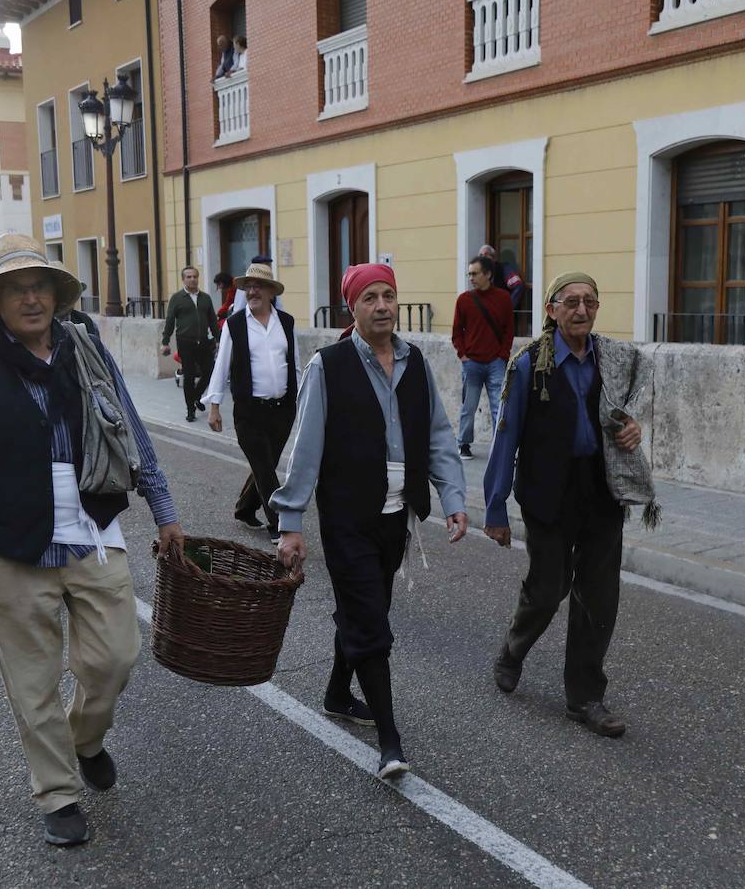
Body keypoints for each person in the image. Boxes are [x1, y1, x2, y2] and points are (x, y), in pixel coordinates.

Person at [0, 233, 184, 847]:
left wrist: (164, 505)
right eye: (16, 289)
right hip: (15, 548)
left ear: (55, 293)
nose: (31, 297)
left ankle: (85, 738)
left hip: (94, 532)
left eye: (38, 284)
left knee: (115, 658)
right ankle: (58, 792)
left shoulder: (85, 347)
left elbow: (126, 424)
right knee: (32, 681)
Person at [272, 263, 468, 780]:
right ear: (351, 308)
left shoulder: (415, 362)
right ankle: (390, 739)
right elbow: (303, 448)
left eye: (389, 296)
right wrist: (290, 521)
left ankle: (339, 691)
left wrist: (453, 497)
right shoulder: (328, 366)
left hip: (394, 518)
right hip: (347, 519)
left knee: (366, 610)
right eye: (370, 298)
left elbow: (439, 435)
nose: (382, 306)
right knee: (372, 625)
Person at [483, 272, 647, 739]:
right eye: (571, 302)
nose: (581, 310)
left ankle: (585, 697)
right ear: (551, 310)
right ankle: (513, 649)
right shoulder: (528, 364)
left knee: (598, 596)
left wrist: (632, 428)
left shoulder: (612, 360)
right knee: (549, 587)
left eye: (590, 302)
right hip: (546, 490)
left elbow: (625, 412)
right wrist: (495, 508)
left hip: (599, 488)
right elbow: (505, 436)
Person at [204, 263, 298, 544]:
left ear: (271, 291)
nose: (252, 291)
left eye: (259, 286)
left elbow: (295, 365)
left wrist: (305, 401)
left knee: (264, 464)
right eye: (248, 286)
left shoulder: (287, 322)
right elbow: (221, 365)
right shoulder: (235, 324)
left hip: (283, 410)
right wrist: (215, 405)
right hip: (249, 412)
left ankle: (245, 509)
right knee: (266, 469)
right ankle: (279, 524)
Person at [452, 254, 513, 460]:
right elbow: (456, 331)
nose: (471, 278)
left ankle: (500, 447)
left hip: (496, 362)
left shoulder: (504, 299)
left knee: (499, 407)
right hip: (472, 363)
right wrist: (463, 354)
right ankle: (464, 444)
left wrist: (503, 356)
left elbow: (508, 330)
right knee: (468, 408)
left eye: (475, 273)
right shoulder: (464, 300)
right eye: (469, 273)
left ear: (488, 274)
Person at [159, 266, 219, 423]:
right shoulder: (177, 298)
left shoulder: (205, 298)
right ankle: (190, 410)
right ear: (183, 279)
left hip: (204, 341)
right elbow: (170, 321)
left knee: (210, 371)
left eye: (194, 276)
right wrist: (165, 342)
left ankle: (196, 396)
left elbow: (213, 320)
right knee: (189, 376)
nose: (192, 279)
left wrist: (219, 339)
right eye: (188, 277)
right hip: (185, 341)